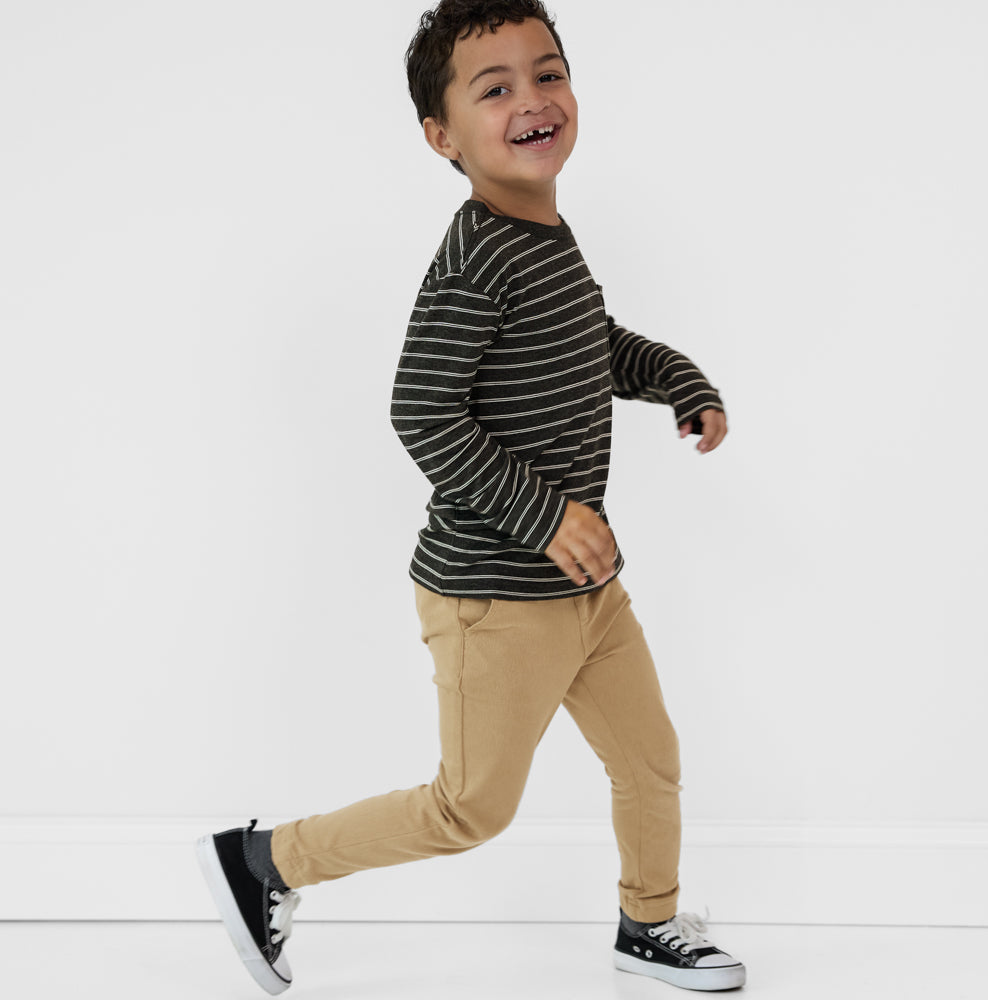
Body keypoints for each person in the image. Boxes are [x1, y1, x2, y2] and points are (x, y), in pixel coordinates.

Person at [196, 0, 746, 994]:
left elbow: (592, 342)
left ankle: (648, 924)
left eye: (548, 73)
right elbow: (421, 413)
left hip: (587, 589)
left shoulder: (544, 236)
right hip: (493, 596)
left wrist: (676, 376)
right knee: (469, 808)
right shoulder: (476, 258)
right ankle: (261, 861)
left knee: (650, 757)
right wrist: (544, 516)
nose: (533, 101)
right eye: (495, 89)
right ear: (440, 135)